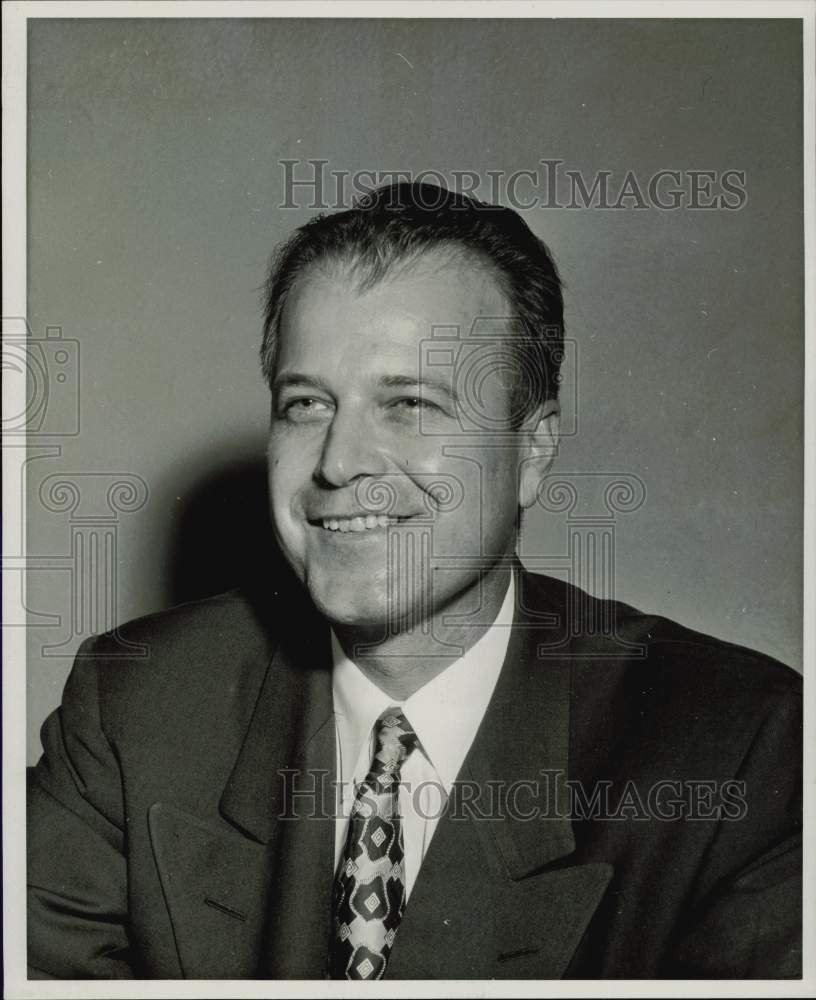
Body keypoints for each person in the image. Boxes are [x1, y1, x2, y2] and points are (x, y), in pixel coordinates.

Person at [27, 182, 801, 980]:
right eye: (305, 404)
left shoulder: (742, 753)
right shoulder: (135, 708)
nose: (337, 461)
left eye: (410, 404)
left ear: (532, 452)